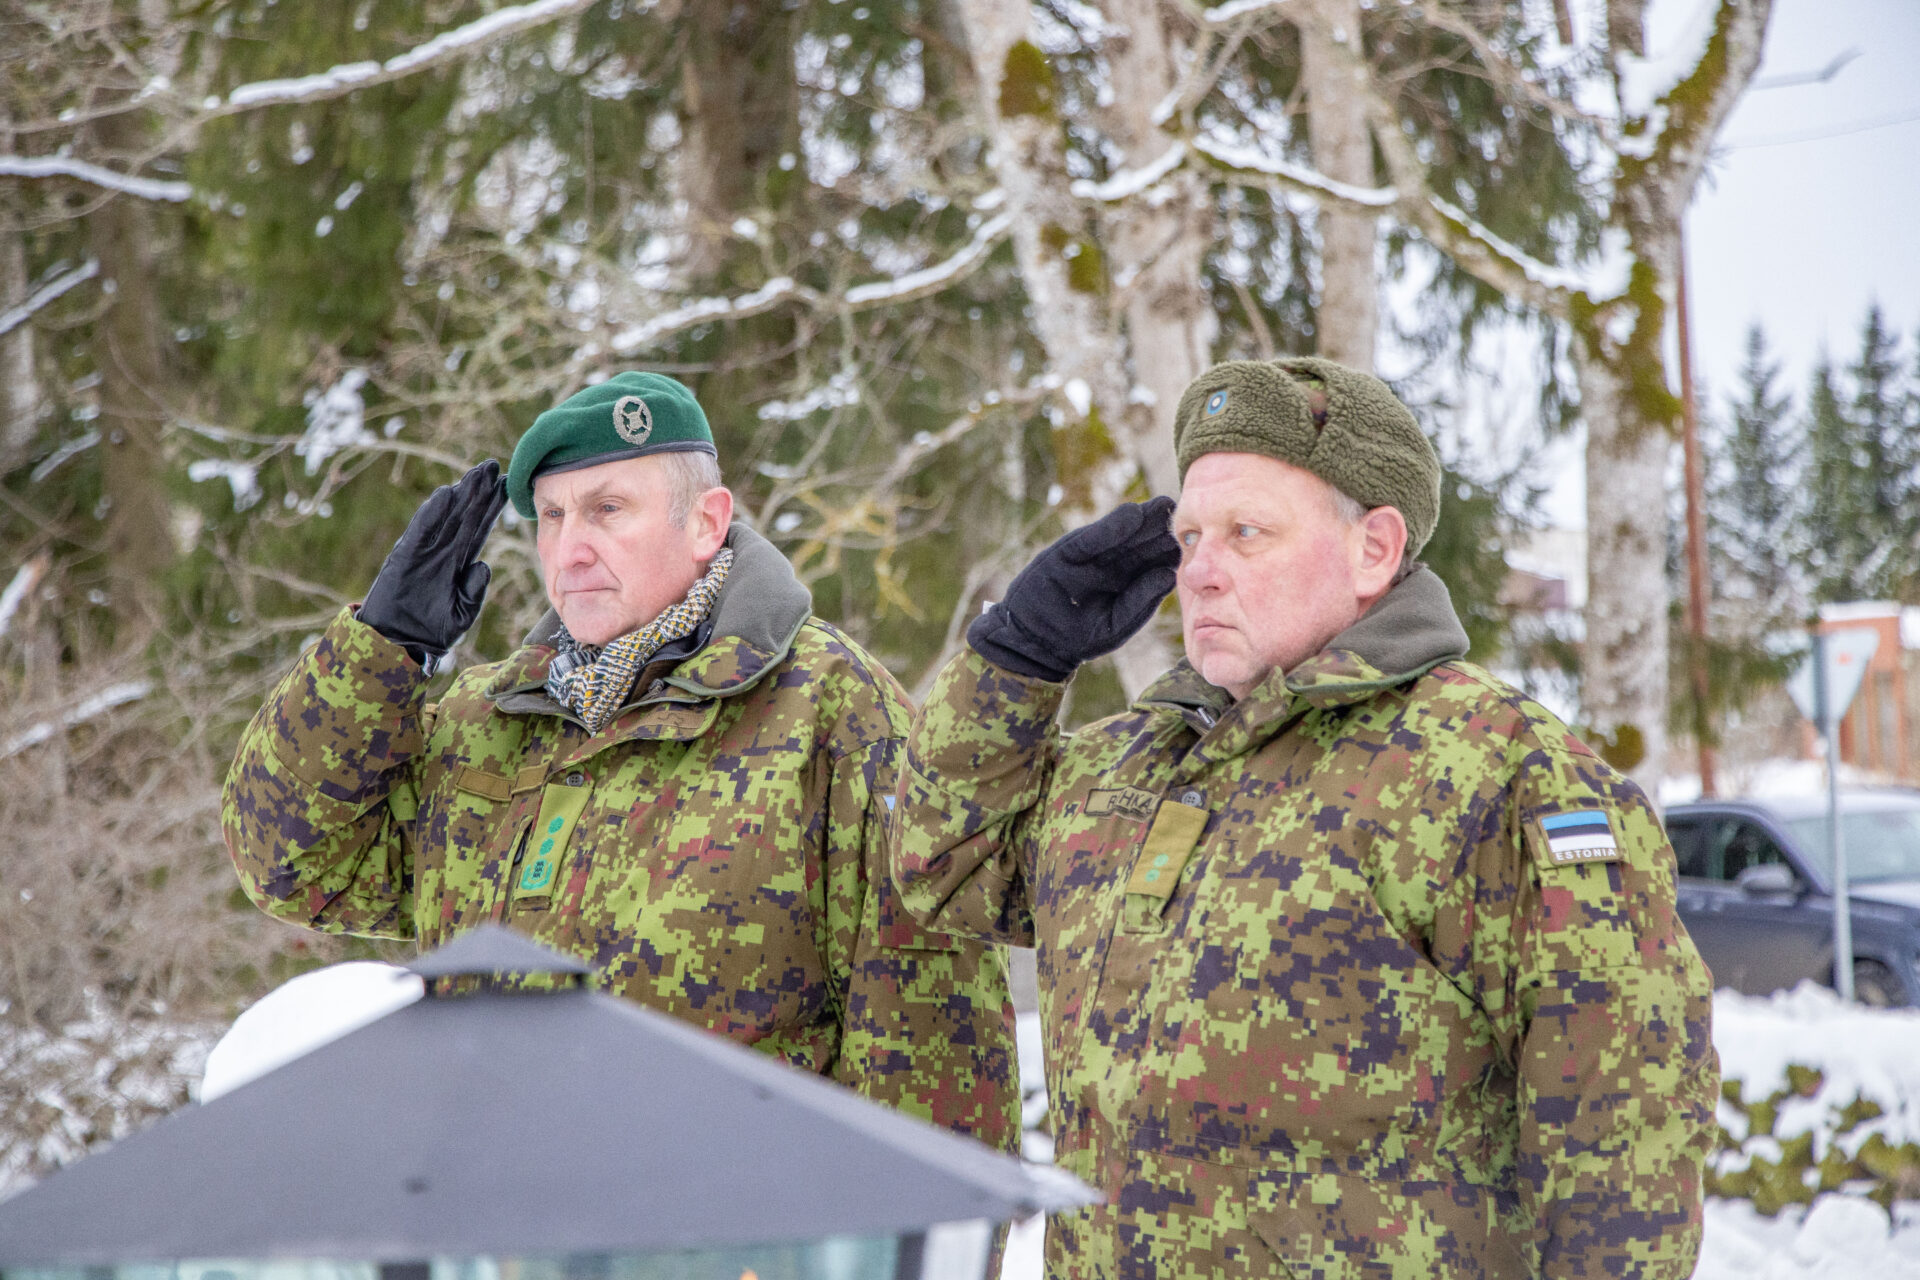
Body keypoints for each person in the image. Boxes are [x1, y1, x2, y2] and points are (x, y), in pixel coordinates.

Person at [891, 357, 1718, 1277]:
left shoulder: (1498, 773)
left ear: (1374, 549)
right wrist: (1018, 656)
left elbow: (1620, 1133)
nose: (1200, 572)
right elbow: (947, 863)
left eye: (1246, 533)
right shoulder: (1134, 761)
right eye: (1189, 535)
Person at [224, 371, 1018, 1149]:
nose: (570, 551)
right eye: (552, 516)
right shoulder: (483, 720)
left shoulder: (829, 712)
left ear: (705, 522)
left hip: (726, 1216)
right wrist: (383, 649)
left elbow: (931, 1053)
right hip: (497, 1210)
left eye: (607, 510)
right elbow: (289, 862)